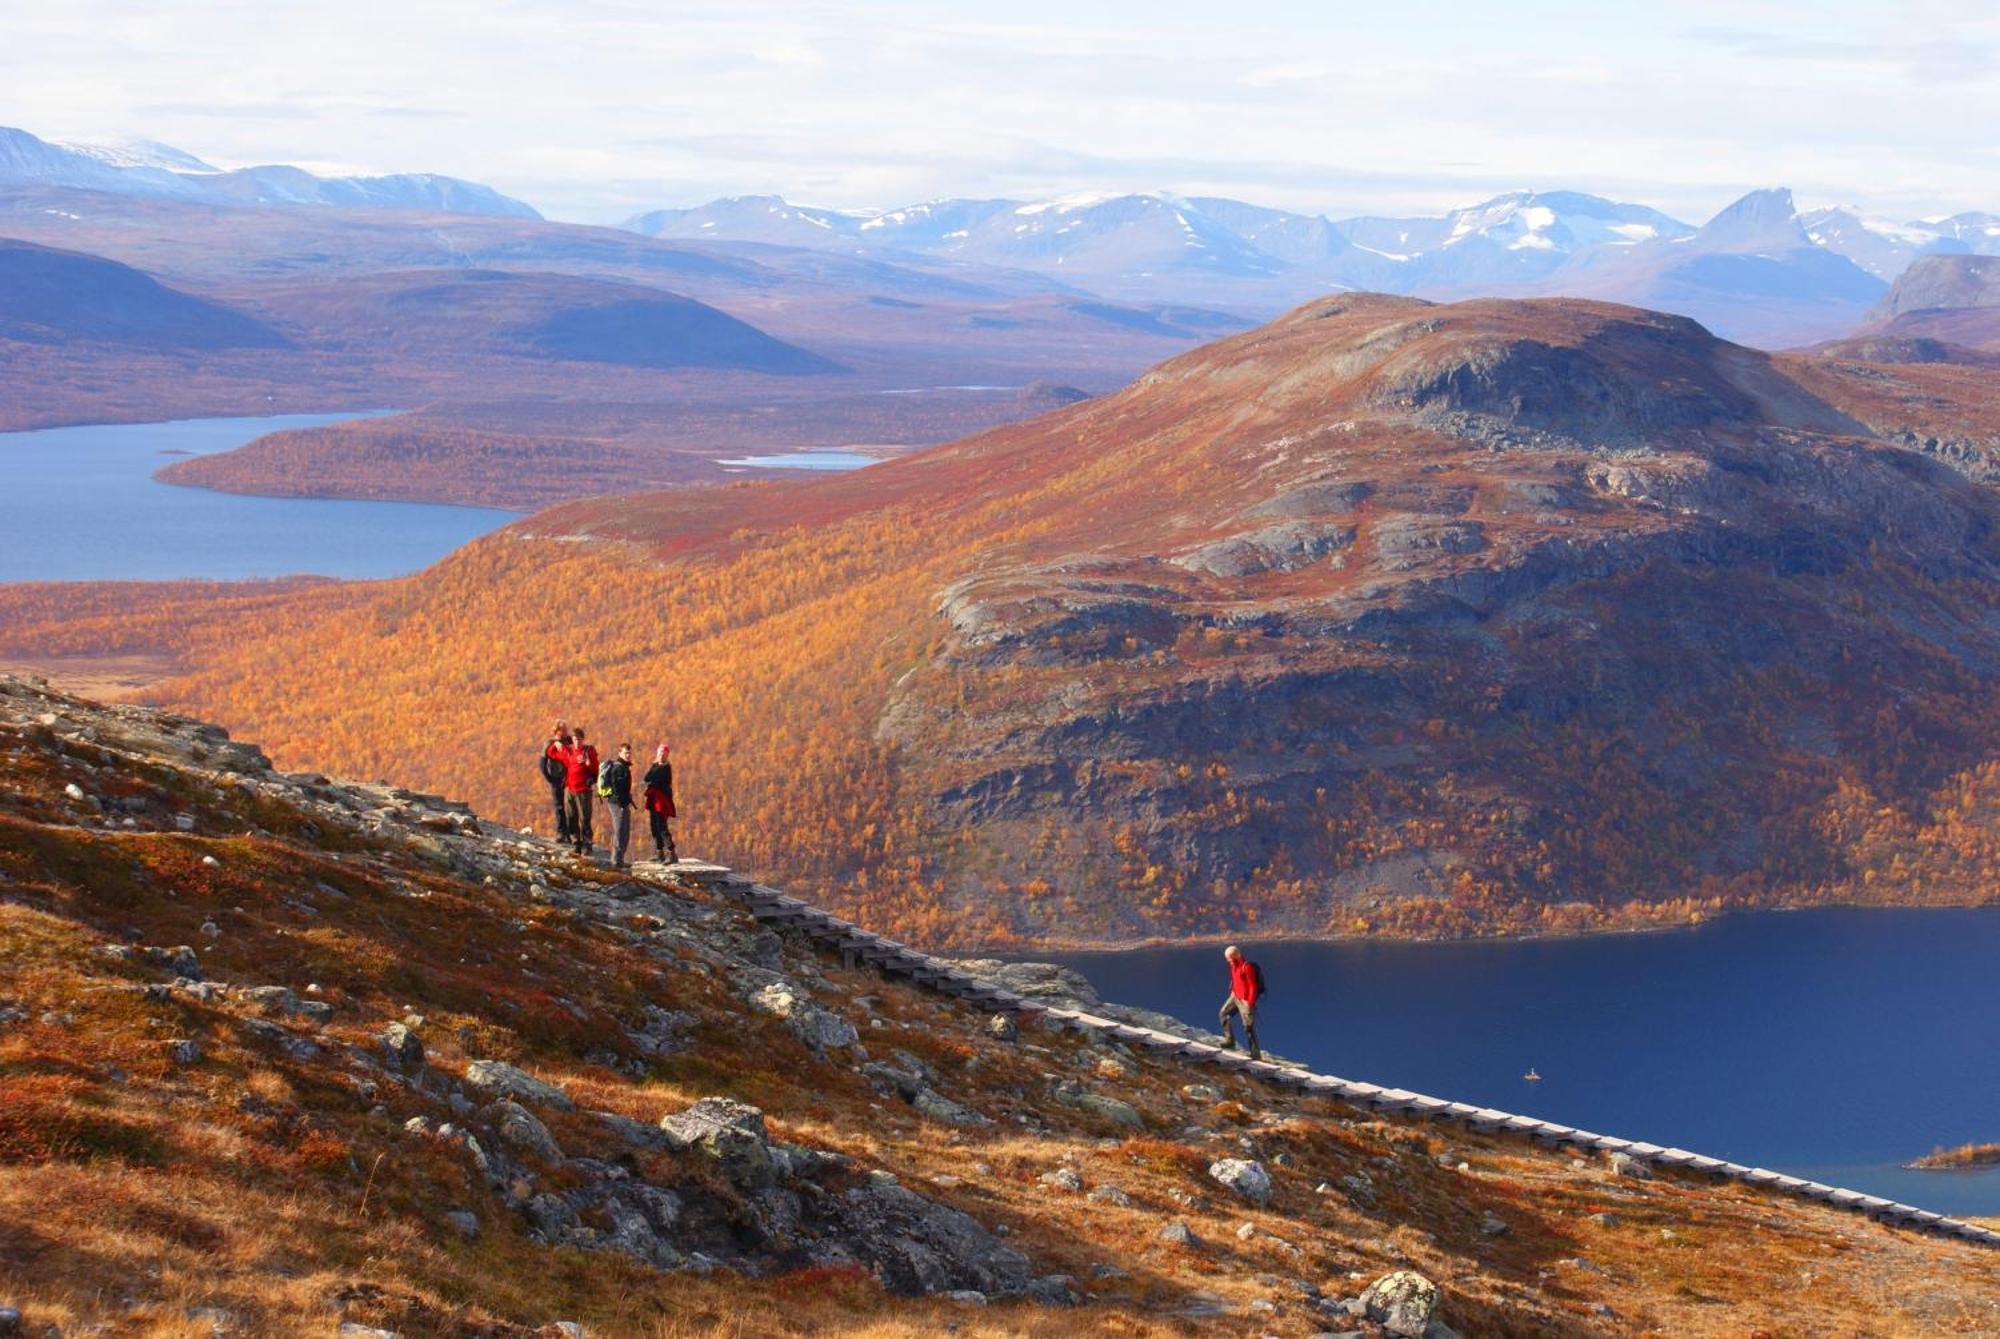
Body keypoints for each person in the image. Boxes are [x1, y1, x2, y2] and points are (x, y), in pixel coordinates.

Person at [1218, 944, 1264, 1060]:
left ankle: (1255, 1054)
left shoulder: (1247, 967)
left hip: (1245, 1000)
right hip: (1235, 996)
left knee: (1248, 1027)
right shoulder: (1233, 965)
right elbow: (1235, 978)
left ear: (1235, 956)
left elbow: (1252, 986)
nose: (1228, 961)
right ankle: (1230, 1040)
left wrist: (1249, 1003)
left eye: (1229, 958)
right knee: (1223, 1014)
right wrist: (1232, 989)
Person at [561, 726, 599, 855]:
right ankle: (576, 842)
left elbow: (596, 770)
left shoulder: (589, 751)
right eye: (575, 739)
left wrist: (588, 762)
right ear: (572, 740)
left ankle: (587, 843)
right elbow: (552, 752)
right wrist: (555, 743)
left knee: (584, 818)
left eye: (579, 739)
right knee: (571, 816)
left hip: (583, 790)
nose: (577, 742)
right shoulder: (570, 752)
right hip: (570, 789)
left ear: (583, 740)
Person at [601, 742, 636, 869]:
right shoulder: (618, 768)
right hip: (617, 804)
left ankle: (619, 859)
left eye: (629, 753)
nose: (628, 755)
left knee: (624, 831)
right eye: (626, 753)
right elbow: (616, 787)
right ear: (620, 753)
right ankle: (616, 861)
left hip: (622, 803)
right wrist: (622, 802)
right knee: (620, 830)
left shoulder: (624, 767)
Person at [643, 742, 677, 864]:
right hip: (654, 800)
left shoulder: (666, 768)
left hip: (662, 801)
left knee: (662, 826)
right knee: (654, 826)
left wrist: (651, 780)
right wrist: (654, 765)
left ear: (667, 754)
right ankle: (659, 852)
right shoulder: (656, 766)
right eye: (660, 752)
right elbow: (646, 778)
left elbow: (657, 781)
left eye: (663, 753)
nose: (661, 755)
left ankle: (671, 853)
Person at [540, 720, 573, 844]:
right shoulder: (549, 743)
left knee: (570, 807)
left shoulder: (569, 741)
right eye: (563, 730)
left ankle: (570, 833)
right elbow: (542, 763)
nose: (566, 732)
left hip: (569, 778)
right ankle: (561, 832)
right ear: (557, 731)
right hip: (556, 778)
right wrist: (549, 778)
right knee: (559, 806)